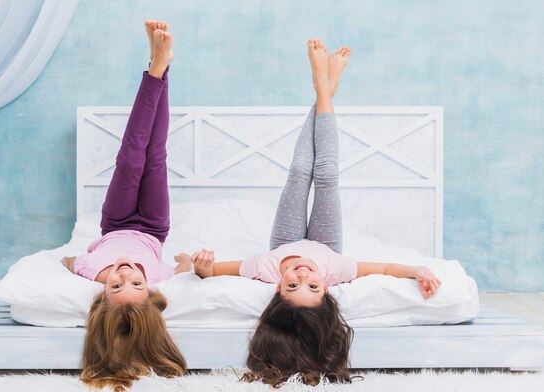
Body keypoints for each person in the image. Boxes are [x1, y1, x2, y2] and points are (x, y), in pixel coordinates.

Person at [182, 39, 442, 387]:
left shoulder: (263, 268)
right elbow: (383, 268)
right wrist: (417, 271)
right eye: (312, 284)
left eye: (293, 284)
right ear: (327, 288)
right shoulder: (336, 269)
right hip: (326, 239)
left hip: (285, 239)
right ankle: (325, 88)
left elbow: (210, 271)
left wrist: (196, 267)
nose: (303, 273)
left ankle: (323, 87)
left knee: (301, 169)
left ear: (277, 287)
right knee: (328, 173)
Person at [62, 20, 188, 390]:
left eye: (118, 285)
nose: (126, 274)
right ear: (148, 289)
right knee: (156, 155)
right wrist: (188, 260)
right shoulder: (157, 277)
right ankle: (160, 67)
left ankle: (156, 68)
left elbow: (68, 260)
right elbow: (180, 267)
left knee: (132, 156)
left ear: (103, 295)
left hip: (115, 222)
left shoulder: (90, 271)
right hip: (152, 225)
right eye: (136, 282)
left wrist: (71, 263)